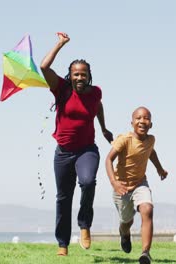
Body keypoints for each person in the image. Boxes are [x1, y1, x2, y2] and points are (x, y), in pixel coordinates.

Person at [40, 32, 113, 256]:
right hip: (63, 153)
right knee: (63, 197)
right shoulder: (61, 89)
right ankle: (62, 244)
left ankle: (84, 225)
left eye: (83, 74)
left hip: (86, 150)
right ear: (70, 76)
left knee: (88, 182)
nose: (80, 78)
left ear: (89, 76)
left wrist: (103, 128)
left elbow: (98, 106)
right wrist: (60, 44)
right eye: (76, 74)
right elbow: (43, 67)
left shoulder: (95, 92)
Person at [105, 106, 168, 264]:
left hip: (140, 183)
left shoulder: (150, 140)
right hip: (122, 187)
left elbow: (151, 152)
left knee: (147, 209)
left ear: (151, 124)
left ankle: (145, 253)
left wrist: (159, 168)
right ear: (132, 122)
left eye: (146, 118)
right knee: (127, 222)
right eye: (138, 118)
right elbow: (108, 160)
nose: (142, 121)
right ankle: (124, 233)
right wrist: (114, 182)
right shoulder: (124, 139)